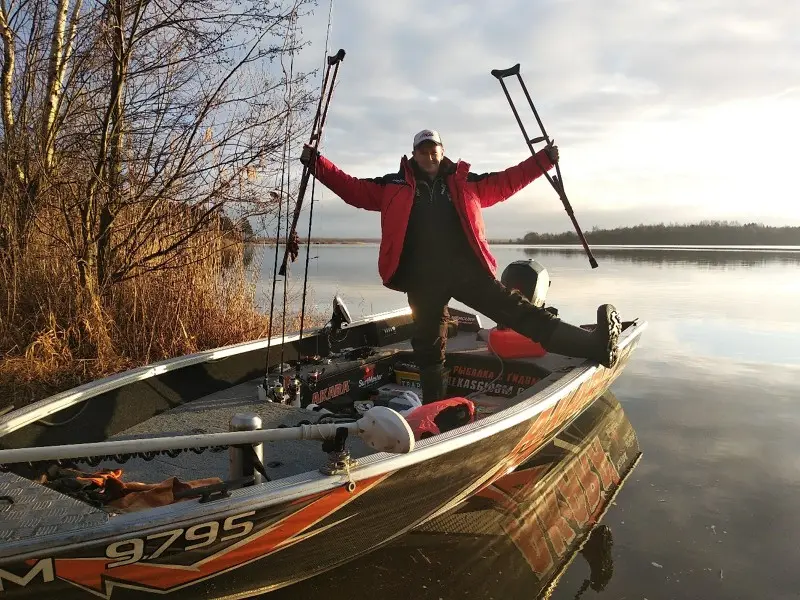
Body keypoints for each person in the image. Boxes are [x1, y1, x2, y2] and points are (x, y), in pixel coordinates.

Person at [300, 129, 622, 403]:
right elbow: (352, 189)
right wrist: (317, 164)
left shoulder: (466, 182)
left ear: (442, 152)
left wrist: (543, 160)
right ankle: (435, 414)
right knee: (428, 347)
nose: (428, 155)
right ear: (413, 154)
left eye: (433, 149)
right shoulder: (392, 185)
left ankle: (592, 345)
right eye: (422, 150)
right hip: (422, 279)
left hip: (467, 272)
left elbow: (509, 180)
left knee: (519, 313)